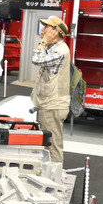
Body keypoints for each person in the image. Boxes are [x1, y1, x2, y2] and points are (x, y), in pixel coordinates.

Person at [31, 15, 71, 164]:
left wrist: (42, 42)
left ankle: (55, 179)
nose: (42, 29)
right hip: (49, 105)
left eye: (46, 27)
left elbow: (36, 60)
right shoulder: (53, 49)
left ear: (55, 32)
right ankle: (50, 176)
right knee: (47, 143)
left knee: (52, 145)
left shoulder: (60, 52)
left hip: (53, 106)